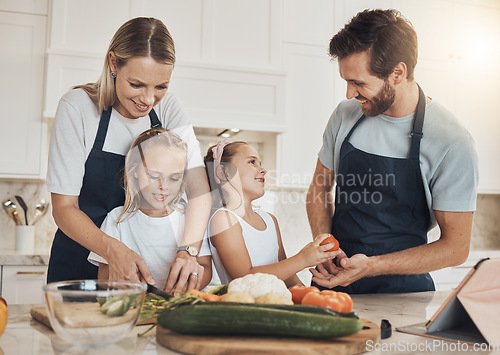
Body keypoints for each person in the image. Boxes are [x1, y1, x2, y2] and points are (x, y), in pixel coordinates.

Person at [306, 9, 478, 293]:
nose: (349, 94)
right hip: (331, 284)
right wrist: (324, 246)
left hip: (405, 292)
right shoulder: (345, 114)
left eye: (358, 83)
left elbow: (456, 248)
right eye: (346, 81)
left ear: (398, 73)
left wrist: (372, 266)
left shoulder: (452, 140)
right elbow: (319, 188)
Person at [46, 17, 211, 292]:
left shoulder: (168, 108)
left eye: (160, 86)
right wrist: (114, 251)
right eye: (137, 84)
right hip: (78, 269)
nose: (148, 99)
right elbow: (64, 209)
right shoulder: (77, 108)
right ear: (113, 63)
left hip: (146, 280)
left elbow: (200, 191)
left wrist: (188, 250)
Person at [88, 128, 212, 290]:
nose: (164, 187)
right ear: (135, 171)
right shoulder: (116, 219)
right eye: (154, 176)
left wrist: (185, 289)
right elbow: (104, 274)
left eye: (174, 178)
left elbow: (205, 266)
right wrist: (125, 283)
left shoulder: (191, 219)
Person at [204, 139, 337, 286]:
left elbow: (288, 278)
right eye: (252, 162)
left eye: (260, 163)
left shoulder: (269, 220)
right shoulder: (224, 219)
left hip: (277, 305)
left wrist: (310, 295)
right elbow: (245, 278)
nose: (263, 170)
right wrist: (302, 259)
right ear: (223, 172)